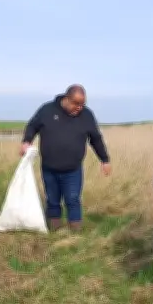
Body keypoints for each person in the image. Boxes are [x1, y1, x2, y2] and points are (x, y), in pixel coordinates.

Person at [20, 84, 112, 232]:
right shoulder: (47, 110)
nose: (79, 108)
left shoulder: (87, 115)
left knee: (73, 200)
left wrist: (105, 160)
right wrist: (26, 141)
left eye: (83, 104)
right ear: (66, 99)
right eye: (76, 103)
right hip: (49, 168)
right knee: (52, 200)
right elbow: (32, 126)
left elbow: (96, 139)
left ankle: (75, 233)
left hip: (73, 170)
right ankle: (54, 231)